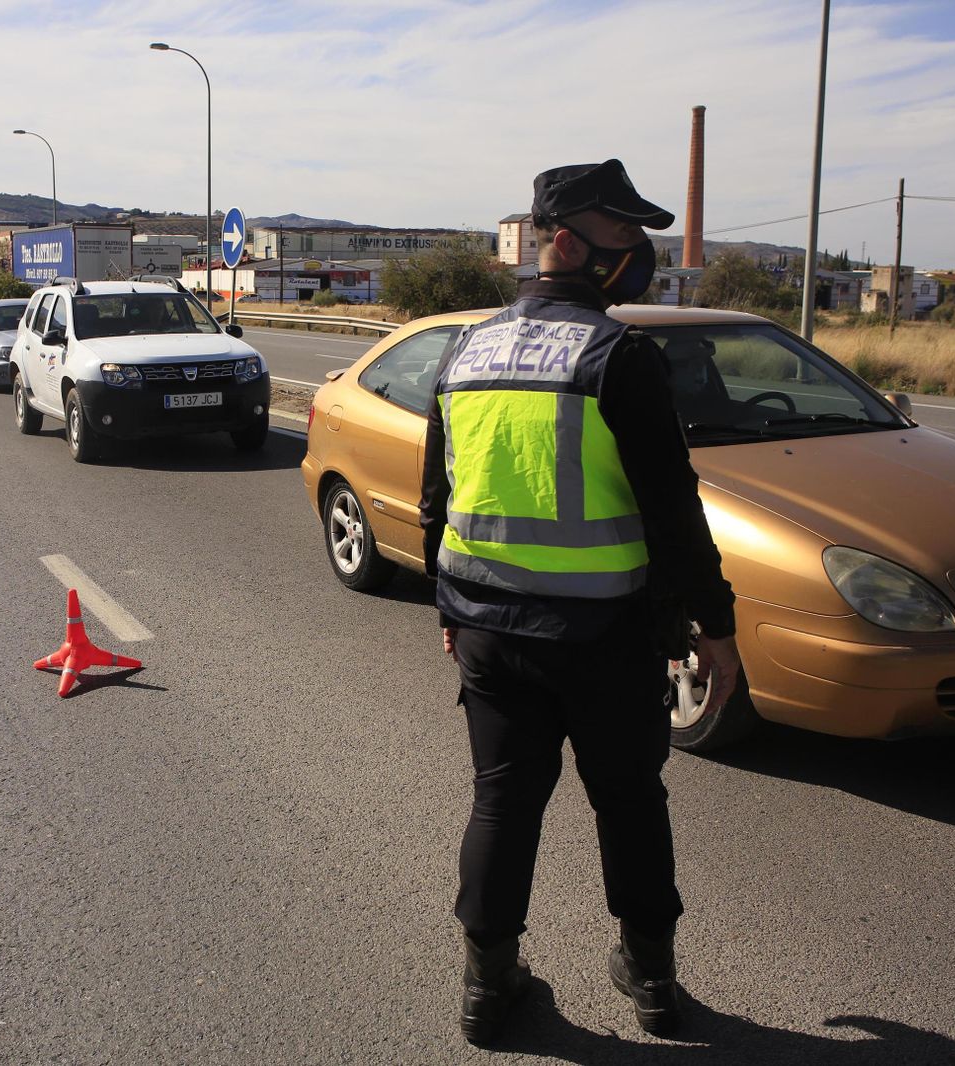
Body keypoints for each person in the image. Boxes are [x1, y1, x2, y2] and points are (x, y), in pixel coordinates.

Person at [418, 159, 742, 1044]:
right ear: (562, 242)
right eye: (623, 238)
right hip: (606, 639)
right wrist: (718, 627)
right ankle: (652, 982)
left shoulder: (466, 349)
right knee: (630, 802)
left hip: (490, 633)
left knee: (503, 802)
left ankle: (488, 988)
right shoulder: (617, 355)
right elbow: (675, 515)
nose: (638, 255)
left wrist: (450, 611)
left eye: (642, 241)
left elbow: (436, 503)